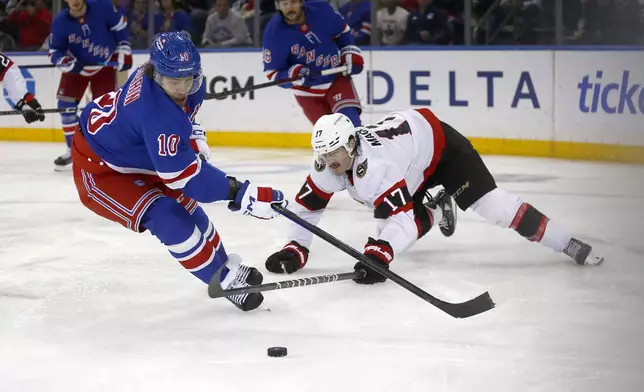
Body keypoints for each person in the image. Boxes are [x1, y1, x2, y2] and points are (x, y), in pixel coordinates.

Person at [71, 32, 287, 311]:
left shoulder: (180, 80)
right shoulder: (152, 111)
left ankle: (225, 269)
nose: (183, 88)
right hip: (99, 168)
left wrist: (194, 135)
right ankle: (223, 281)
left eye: (189, 79)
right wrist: (241, 192)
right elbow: (188, 179)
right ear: (157, 74)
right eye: (175, 81)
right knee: (166, 215)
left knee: (186, 205)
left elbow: (184, 121)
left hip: (136, 152)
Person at [265, 108, 604, 284]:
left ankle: (568, 243)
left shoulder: (377, 167)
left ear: (352, 144)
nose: (331, 162)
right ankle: (432, 207)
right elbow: (306, 209)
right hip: (411, 163)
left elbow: (402, 223)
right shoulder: (328, 162)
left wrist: (381, 254)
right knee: (387, 229)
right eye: (324, 156)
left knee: (497, 208)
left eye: (336, 152)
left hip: (442, 149)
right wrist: (296, 248)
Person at [49, 0, 133, 171]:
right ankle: (73, 150)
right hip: (76, 68)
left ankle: (104, 153)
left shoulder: (103, 6)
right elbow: (54, 51)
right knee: (65, 107)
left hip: (104, 66)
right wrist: (64, 61)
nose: (76, 1)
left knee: (105, 111)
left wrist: (124, 49)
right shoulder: (60, 22)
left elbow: (120, 27)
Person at [261, 0, 364, 127]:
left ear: (301, 2)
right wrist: (293, 74)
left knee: (352, 125)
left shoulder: (322, 10)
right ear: (279, 6)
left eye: (293, 2)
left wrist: (349, 52)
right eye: (285, 4)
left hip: (336, 79)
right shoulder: (274, 33)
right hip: (307, 92)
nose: (289, 8)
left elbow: (342, 32)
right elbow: (272, 73)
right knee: (330, 138)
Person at [0, 51, 45, 124]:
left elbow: (22, 94)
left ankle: (33, 106)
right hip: (9, 71)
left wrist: (35, 105)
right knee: (20, 96)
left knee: (20, 97)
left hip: (8, 71)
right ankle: (32, 106)